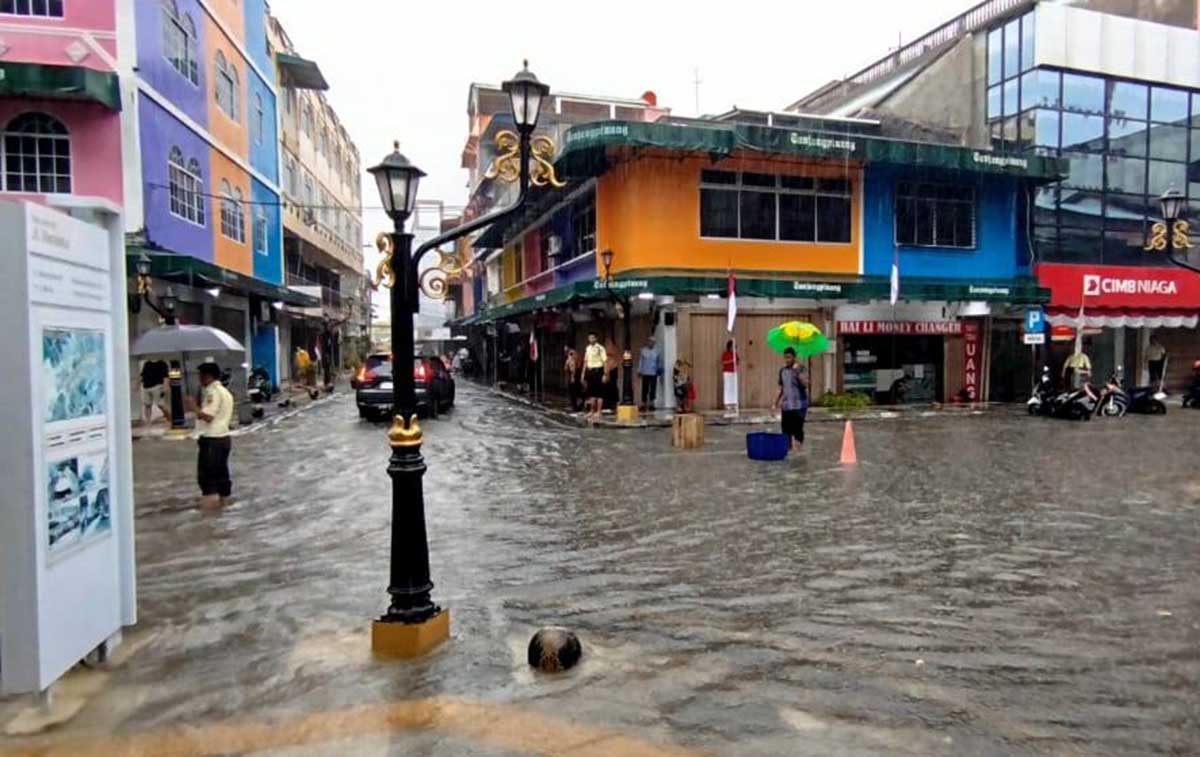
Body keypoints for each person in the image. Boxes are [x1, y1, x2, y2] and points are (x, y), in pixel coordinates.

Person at [194, 362, 234, 509]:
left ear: (207, 376)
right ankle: (223, 509)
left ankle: (210, 517)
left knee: (208, 479)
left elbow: (208, 416)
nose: (199, 378)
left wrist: (192, 406)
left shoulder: (213, 393)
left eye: (200, 375)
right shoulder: (225, 392)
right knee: (222, 477)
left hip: (212, 439)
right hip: (224, 438)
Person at [774, 347, 809, 451]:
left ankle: (798, 451)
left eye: (789, 357)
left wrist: (798, 372)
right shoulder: (782, 370)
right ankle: (788, 450)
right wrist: (774, 403)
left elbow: (806, 384)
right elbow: (780, 387)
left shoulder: (801, 368)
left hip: (799, 405)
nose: (787, 360)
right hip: (786, 406)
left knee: (798, 430)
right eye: (785, 358)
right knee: (786, 431)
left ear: (794, 357)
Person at [583, 332, 607, 421]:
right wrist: (583, 374)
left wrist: (605, 374)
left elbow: (605, 361)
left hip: (598, 371)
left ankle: (599, 411)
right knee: (591, 392)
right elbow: (585, 361)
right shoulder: (588, 348)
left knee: (599, 392)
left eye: (593, 338)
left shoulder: (600, 348)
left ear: (596, 338)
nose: (591, 340)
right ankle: (592, 411)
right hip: (590, 371)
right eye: (590, 338)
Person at [139, 358, 170, 424]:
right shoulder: (147, 363)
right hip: (146, 386)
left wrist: (165, 386)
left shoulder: (162, 363)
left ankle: (169, 418)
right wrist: (137, 383)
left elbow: (166, 376)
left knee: (161, 404)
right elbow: (142, 375)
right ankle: (148, 421)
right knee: (147, 404)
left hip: (157, 386)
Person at [637, 336, 663, 411]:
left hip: (653, 372)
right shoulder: (643, 350)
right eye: (649, 341)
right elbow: (641, 361)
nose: (651, 343)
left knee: (653, 389)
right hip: (645, 372)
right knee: (645, 388)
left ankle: (652, 403)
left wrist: (659, 370)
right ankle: (643, 404)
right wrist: (639, 370)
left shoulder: (657, 351)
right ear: (648, 342)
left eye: (652, 342)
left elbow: (658, 362)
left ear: (654, 343)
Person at [720, 340, 739, 413]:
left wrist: (736, 361)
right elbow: (723, 362)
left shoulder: (735, 354)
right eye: (732, 347)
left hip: (734, 372)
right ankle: (727, 404)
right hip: (727, 372)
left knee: (734, 388)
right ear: (729, 347)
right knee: (727, 388)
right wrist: (731, 361)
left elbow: (737, 362)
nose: (733, 348)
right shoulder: (725, 354)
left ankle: (733, 403)